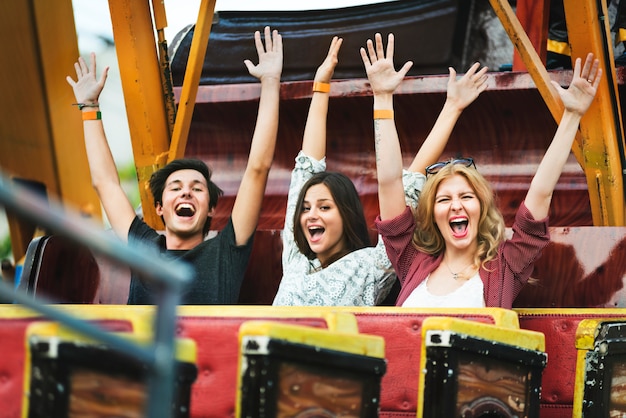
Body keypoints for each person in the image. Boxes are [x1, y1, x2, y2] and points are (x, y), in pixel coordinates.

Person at [363, 32, 602, 308]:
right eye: (444, 199)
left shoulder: (505, 265)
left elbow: (541, 191)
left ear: (481, 207)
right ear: (432, 215)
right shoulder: (411, 260)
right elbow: (390, 182)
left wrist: (572, 116)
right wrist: (381, 98)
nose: (456, 206)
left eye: (466, 197)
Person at [66, 26, 283, 305]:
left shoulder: (226, 252)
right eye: (176, 188)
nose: (186, 193)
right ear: (159, 208)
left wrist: (270, 81)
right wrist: (88, 108)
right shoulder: (143, 247)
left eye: (197, 189)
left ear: (211, 209)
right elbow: (105, 184)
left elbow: (258, 168)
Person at [272, 36, 487, 306]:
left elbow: (404, 183)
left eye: (324, 207)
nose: (311, 215)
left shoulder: (371, 266)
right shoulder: (296, 258)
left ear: (347, 215)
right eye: (306, 208)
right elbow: (306, 169)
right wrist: (321, 87)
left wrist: (452, 108)